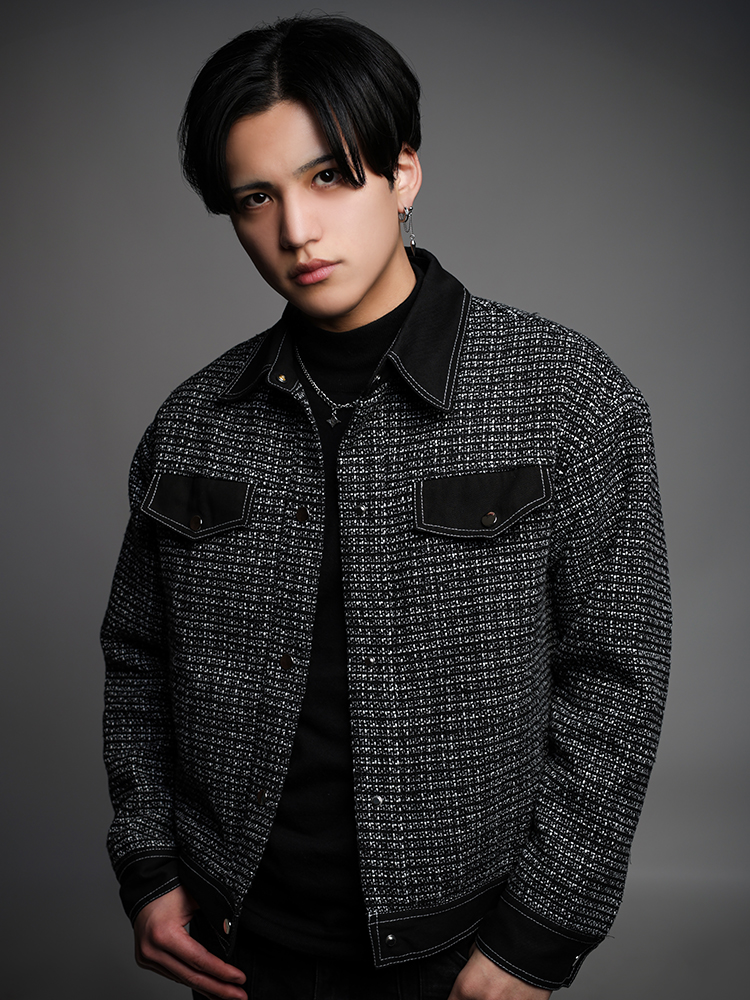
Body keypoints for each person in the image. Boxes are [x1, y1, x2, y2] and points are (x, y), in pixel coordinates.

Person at [102, 14, 671, 1000]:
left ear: (403, 172)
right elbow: (138, 658)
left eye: (330, 177)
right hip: (239, 944)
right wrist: (148, 867)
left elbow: (617, 679)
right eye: (255, 197)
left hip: (461, 953)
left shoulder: (568, 397)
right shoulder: (192, 423)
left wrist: (537, 936)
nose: (296, 231)